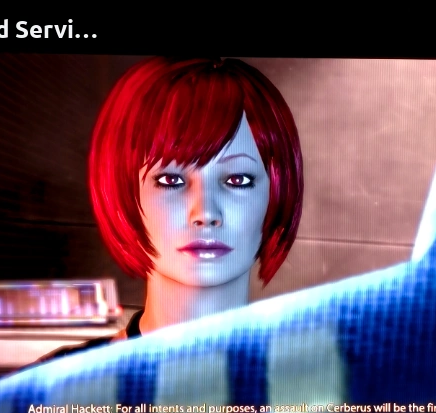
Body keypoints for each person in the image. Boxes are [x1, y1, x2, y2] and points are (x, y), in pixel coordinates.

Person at [36, 56, 303, 363]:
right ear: (122, 188)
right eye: (171, 180)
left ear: (277, 191)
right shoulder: (53, 383)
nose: (205, 213)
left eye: (237, 180)